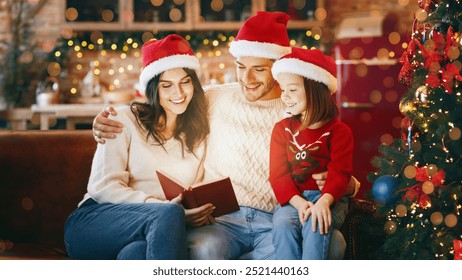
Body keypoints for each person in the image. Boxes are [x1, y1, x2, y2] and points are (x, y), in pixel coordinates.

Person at [92, 11, 359, 260]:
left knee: (332, 244)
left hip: (275, 219)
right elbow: (167, 101)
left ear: (278, 68)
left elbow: (331, 157)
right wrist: (109, 119)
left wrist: (349, 185)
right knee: (205, 248)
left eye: (259, 69)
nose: (247, 79)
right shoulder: (213, 98)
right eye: (241, 66)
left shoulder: (299, 108)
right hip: (222, 220)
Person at [64, 34, 213, 260]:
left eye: (185, 82)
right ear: (153, 89)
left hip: (149, 232)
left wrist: (195, 212)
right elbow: (102, 187)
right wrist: (162, 209)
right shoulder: (122, 120)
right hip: (94, 220)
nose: (179, 93)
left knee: (135, 255)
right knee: (169, 213)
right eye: (167, 86)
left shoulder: (197, 133)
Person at [269, 47, 354, 259]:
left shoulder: (339, 131)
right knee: (281, 225)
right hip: (294, 200)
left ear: (315, 89)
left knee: (316, 224)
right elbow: (278, 175)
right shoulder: (282, 129)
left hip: (329, 199)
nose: (285, 96)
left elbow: (340, 173)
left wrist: (324, 202)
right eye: (283, 90)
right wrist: (299, 203)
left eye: (292, 90)